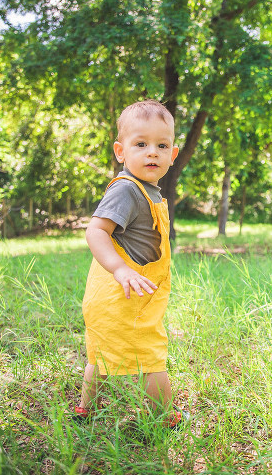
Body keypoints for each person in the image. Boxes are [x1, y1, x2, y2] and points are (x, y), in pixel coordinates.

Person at [74, 99, 188, 428]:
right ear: (120, 151)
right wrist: (119, 268)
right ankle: (164, 416)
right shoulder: (126, 189)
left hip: (124, 296)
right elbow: (96, 231)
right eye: (141, 144)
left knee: (100, 353)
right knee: (152, 355)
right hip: (124, 295)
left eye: (161, 145)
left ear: (173, 154)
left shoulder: (148, 190)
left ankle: (86, 409)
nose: (152, 152)